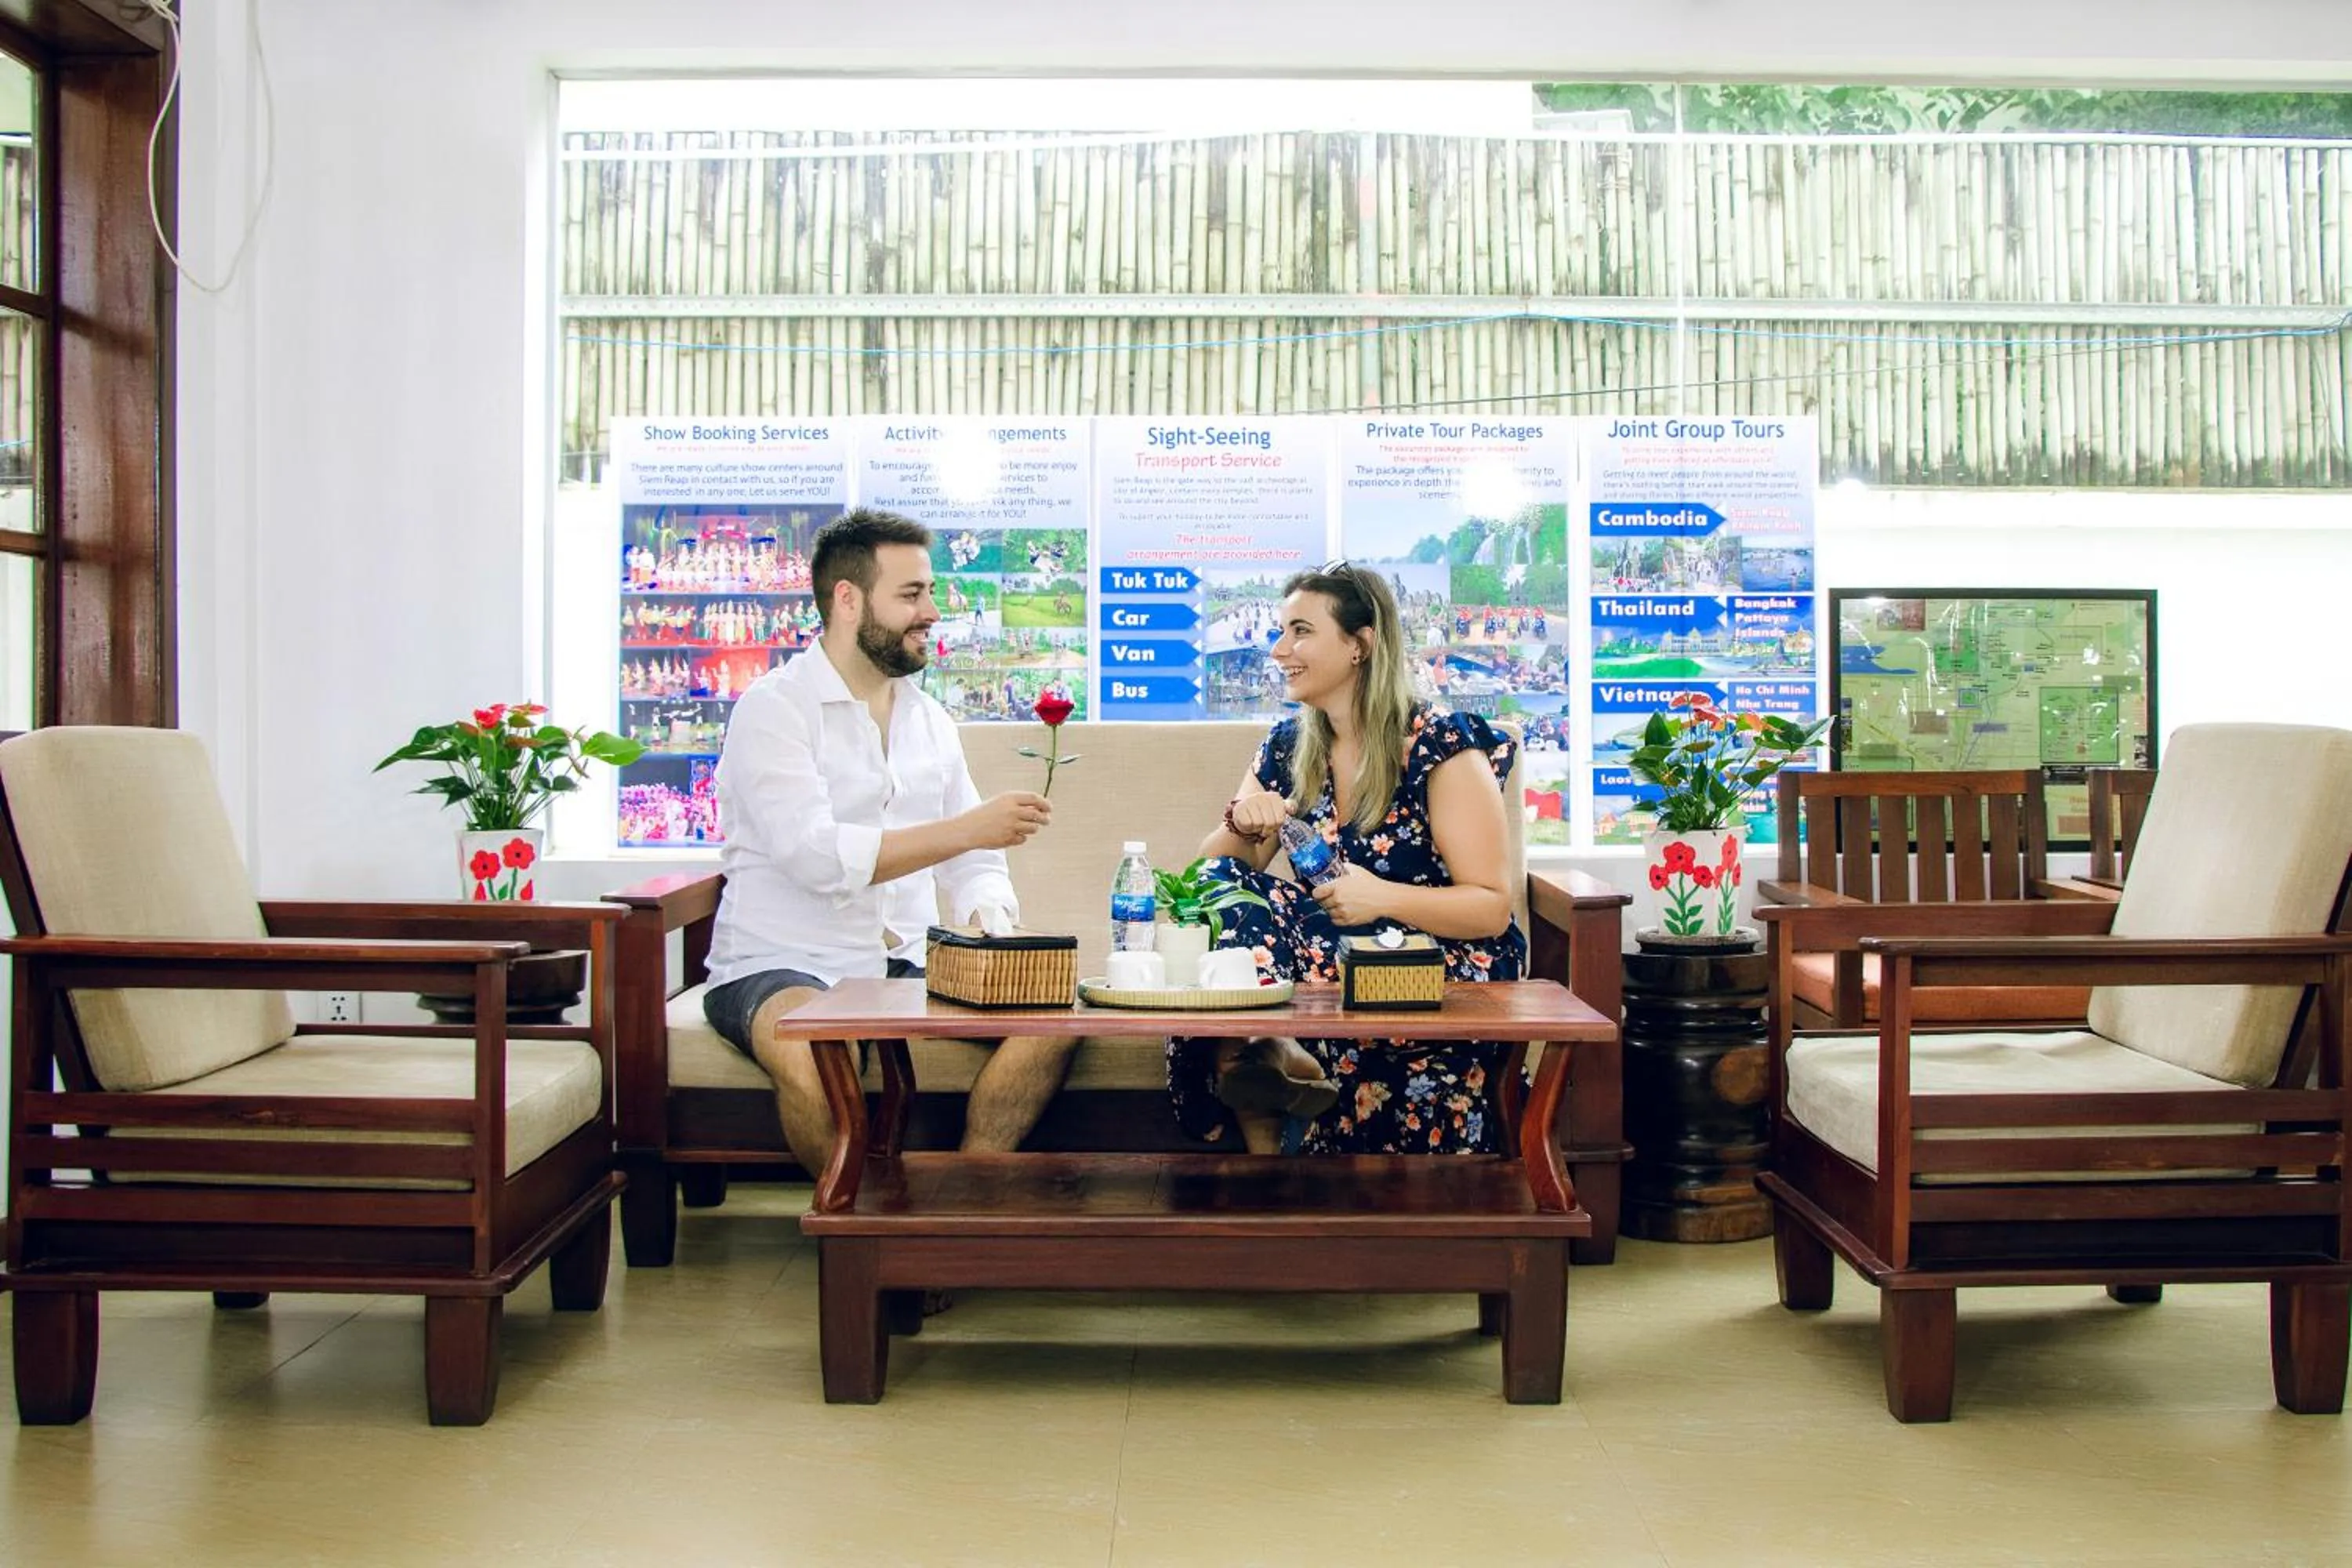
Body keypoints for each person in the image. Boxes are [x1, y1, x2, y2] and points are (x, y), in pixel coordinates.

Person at [704, 508, 1078, 1181]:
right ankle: (859, 1228)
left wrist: (991, 922)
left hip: (904, 960)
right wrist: (966, 830)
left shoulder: (929, 719)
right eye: (911, 595)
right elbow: (816, 857)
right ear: (848, 600)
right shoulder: (773, 709)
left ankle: (960, 1198)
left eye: (930, 592)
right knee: (811, 1052)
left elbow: (976, 859)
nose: (932, 612)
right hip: (781, 963)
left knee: (1052, 1020)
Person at [1168, 561, 1525, 1156]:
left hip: (1433, 955)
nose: (1279, 650)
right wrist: (1242, 822)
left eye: (1301, 631)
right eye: (1280, 632)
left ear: (1360, 644)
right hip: (1335, 949)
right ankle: (1263, 1058)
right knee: (1217, 880)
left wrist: (1379, 897)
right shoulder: (1290, 746)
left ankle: (1265, 1084)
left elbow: (1491, 908)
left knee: (1292, 962)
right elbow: (1209, 879)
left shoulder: (1440, 746)